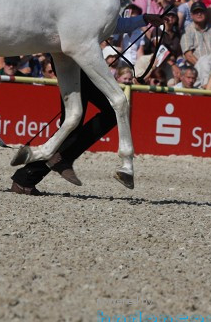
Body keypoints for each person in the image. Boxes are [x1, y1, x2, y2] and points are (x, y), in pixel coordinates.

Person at [10, 12, 162, 195]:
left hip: (84, 61)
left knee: (88, 118)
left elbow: (112, 24)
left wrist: (143, 20)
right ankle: (33, 174)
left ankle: (37, 172)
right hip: (73, 61)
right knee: (81, 120)